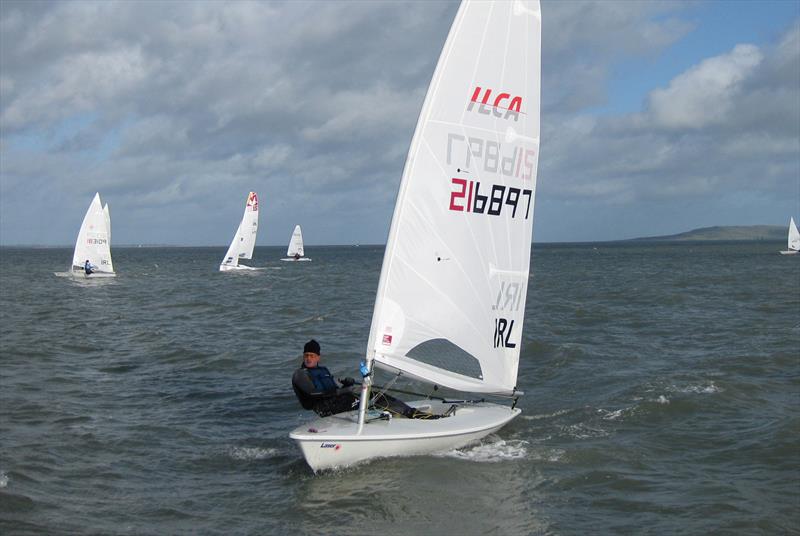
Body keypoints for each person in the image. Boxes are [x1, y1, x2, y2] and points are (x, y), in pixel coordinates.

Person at [291, 339, 441, 419]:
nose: (309, 358)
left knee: (373, 395)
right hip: (326, 408)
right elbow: (312, 393)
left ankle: (398, 414)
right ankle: (411, 414)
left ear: (318, 357)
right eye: (306, 355)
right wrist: (342, 391)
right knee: (370, 397)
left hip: (336, 402)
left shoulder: (322, 370)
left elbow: (333, 384)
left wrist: (345, 383)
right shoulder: (300, 374)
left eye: (312, 355)